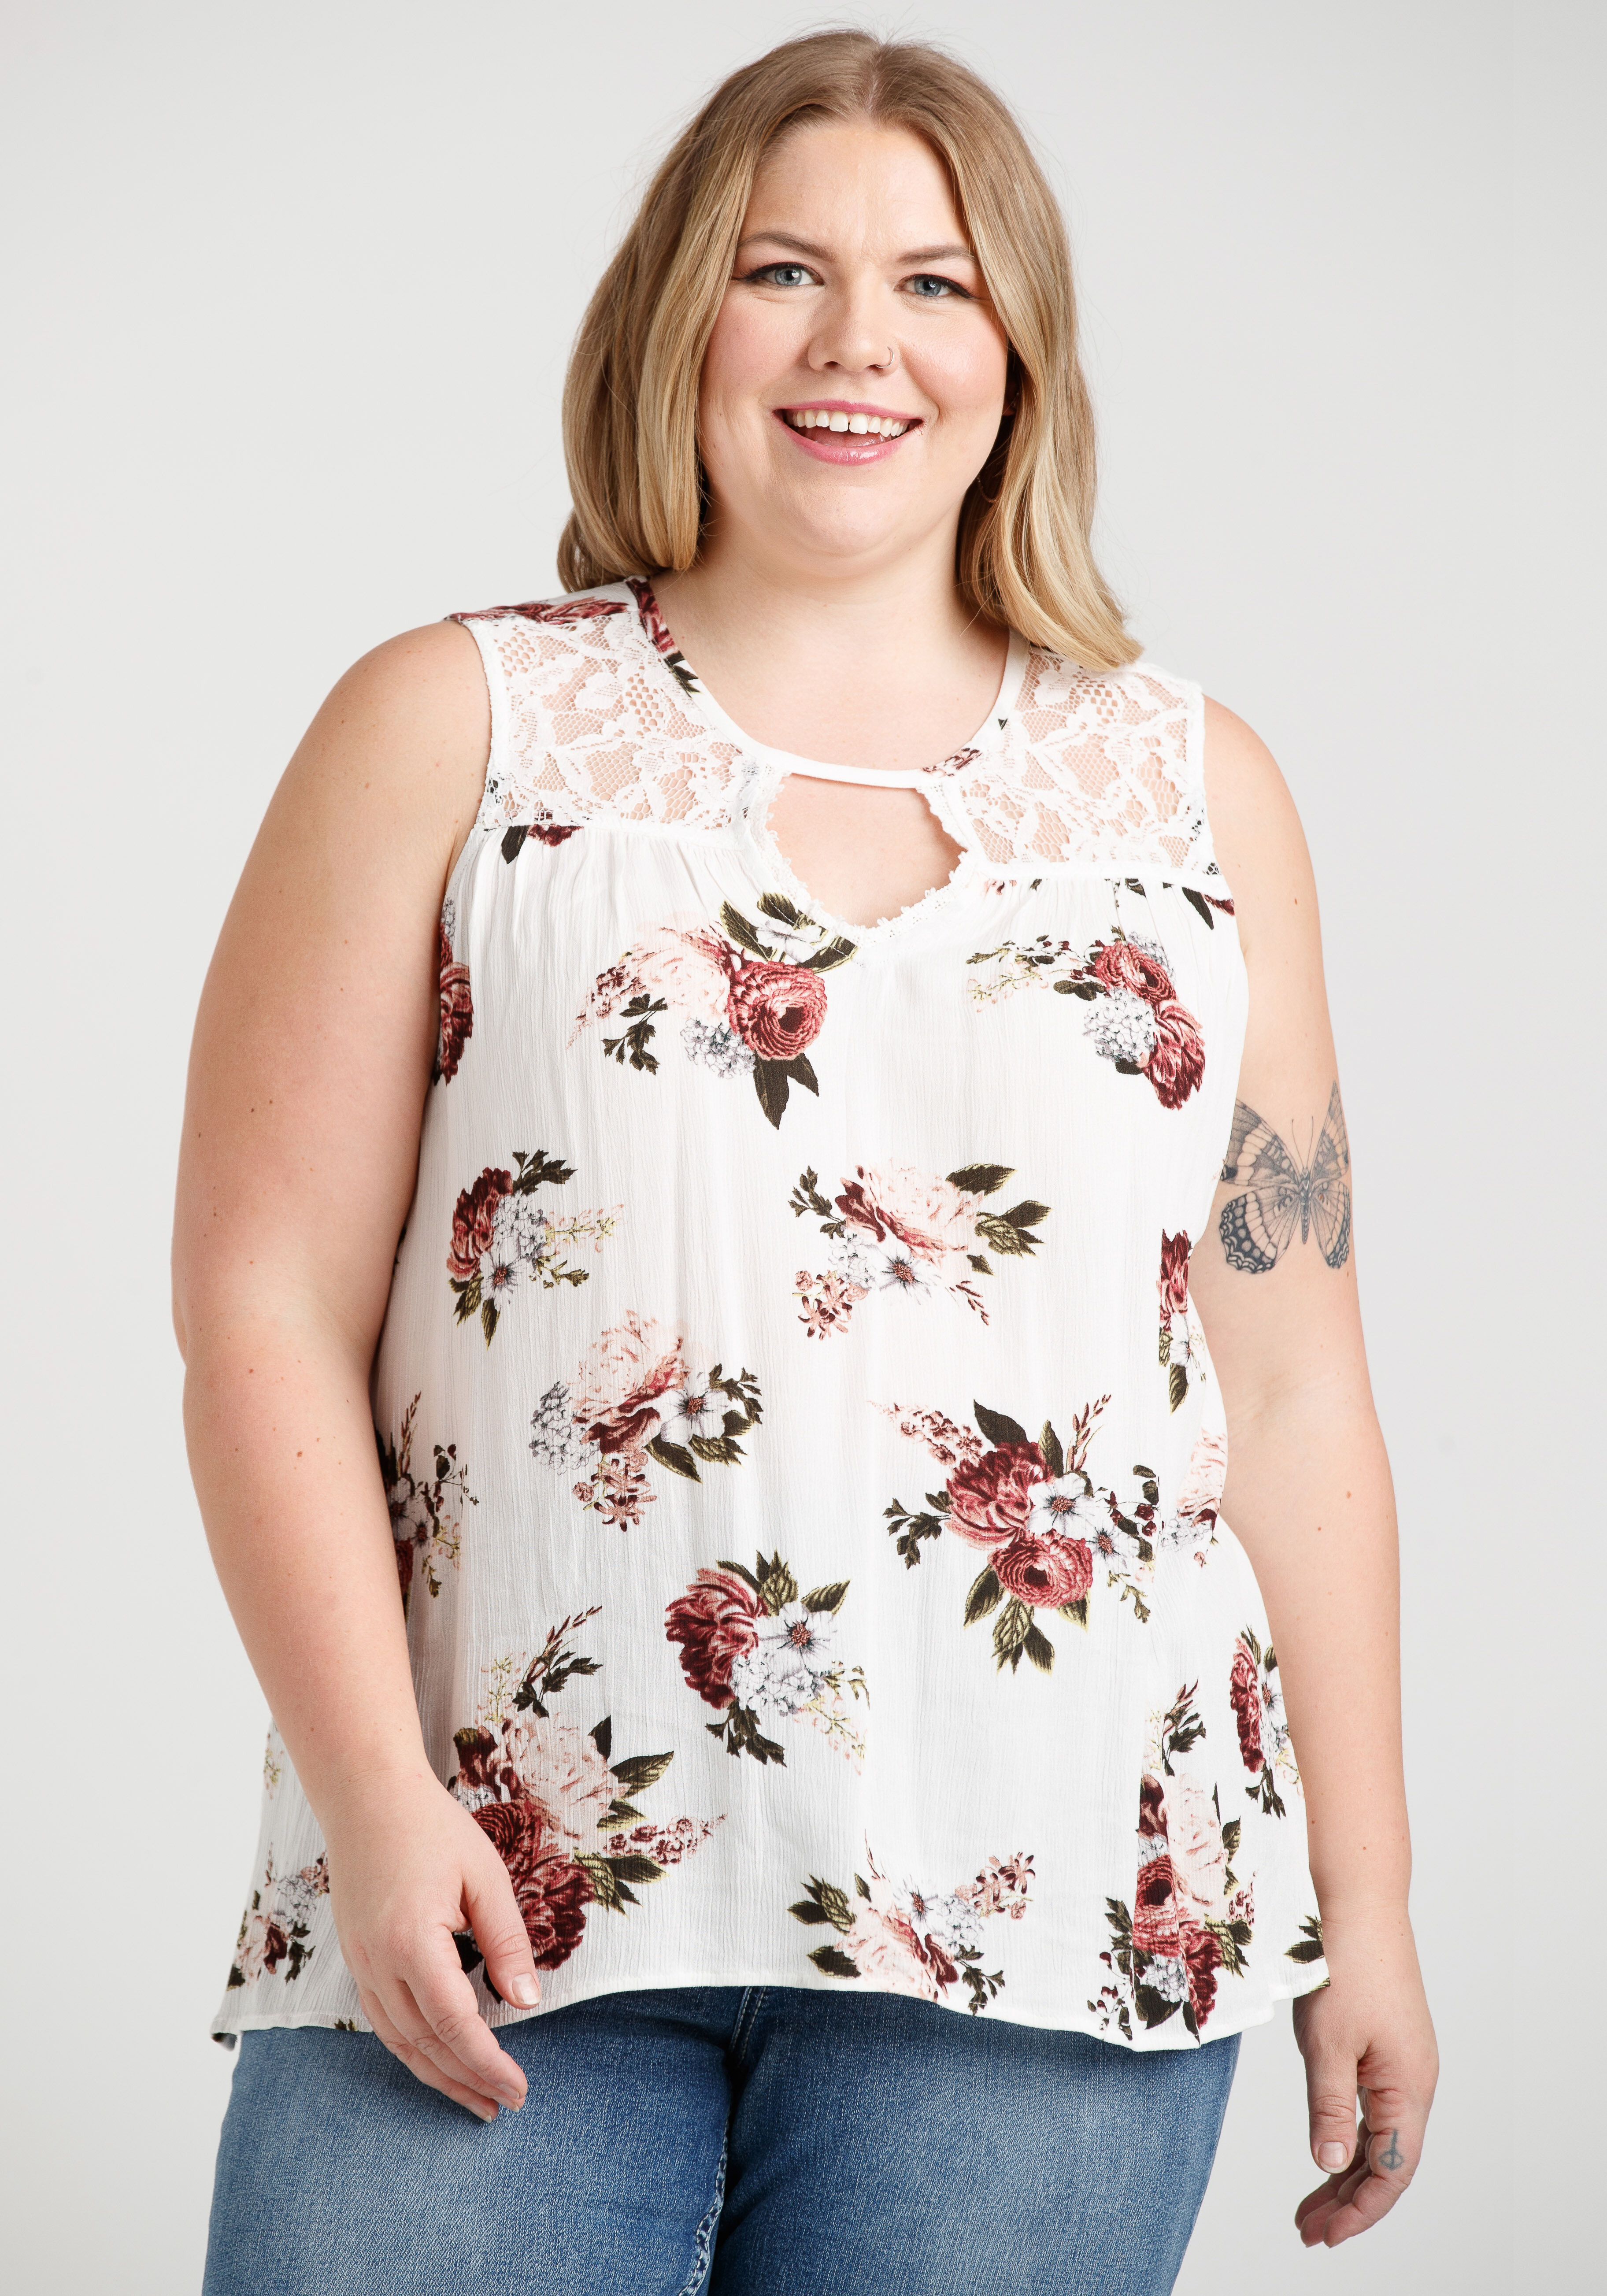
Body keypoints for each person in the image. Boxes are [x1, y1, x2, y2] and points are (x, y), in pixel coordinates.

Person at [174, 30, 1437, 2296]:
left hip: (1065, 1929)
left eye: (936, 284)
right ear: (681, 315)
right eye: (785, 271)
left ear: (1019, 353)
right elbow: (264, 1304)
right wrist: (372, 1803)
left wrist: (1376, 1906)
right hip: (498, 1895)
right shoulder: (455, 728)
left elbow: (1294, 1391)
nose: (862, 342)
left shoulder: (1193, 796)